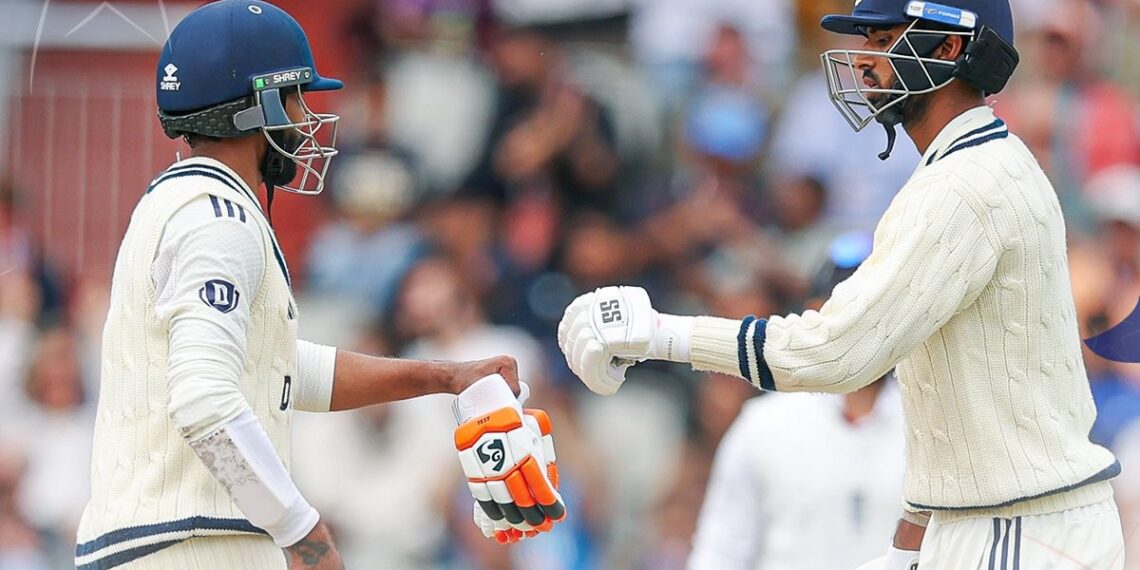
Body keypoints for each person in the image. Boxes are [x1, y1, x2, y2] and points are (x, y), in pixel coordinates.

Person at [558, 0, 1127, 568]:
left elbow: (833, 352)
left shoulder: (965, 186)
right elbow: (964, 397)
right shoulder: (969, 167)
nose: (862, 61)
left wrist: (657, 333)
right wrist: (911, 536)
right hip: (1008, 519)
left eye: (884, 41)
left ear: (950, 48)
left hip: (1020, 526)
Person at [75, 2, 559, 569]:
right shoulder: (218, 220)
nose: (306, 117)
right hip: (190, 549)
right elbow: (205, 400)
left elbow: (275, 366)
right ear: (251, 106)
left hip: (165, 546)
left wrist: (445, 376)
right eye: (294, 97)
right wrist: (303, 533)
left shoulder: (185, 205)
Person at [688, 234, 906, 570]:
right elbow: (721, 551)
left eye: (871, 311)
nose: (858, 326)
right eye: (841, 308)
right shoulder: (764, 423)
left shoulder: (928, 422)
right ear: (812, 312)